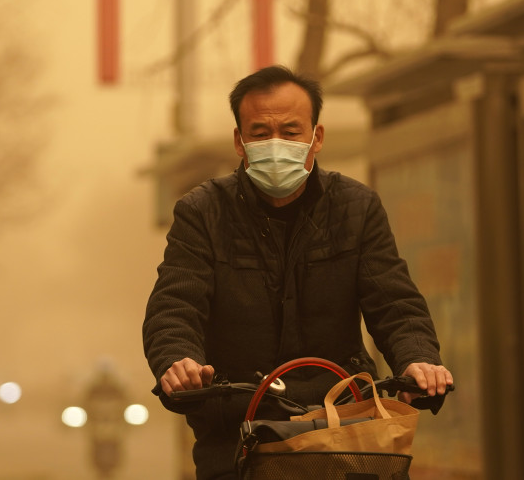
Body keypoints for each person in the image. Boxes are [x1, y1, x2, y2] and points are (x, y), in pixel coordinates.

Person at [142, 65, 453, 479]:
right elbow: (175, 306)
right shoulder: (202, 212)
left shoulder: (356, 208)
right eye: (260, 133)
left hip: (345, 429)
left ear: (316, 137)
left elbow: (395, 304)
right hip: (239, 435)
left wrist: (418, 360)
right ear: (239, 141)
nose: (276, 144)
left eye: (290, 132)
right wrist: (178, 361)